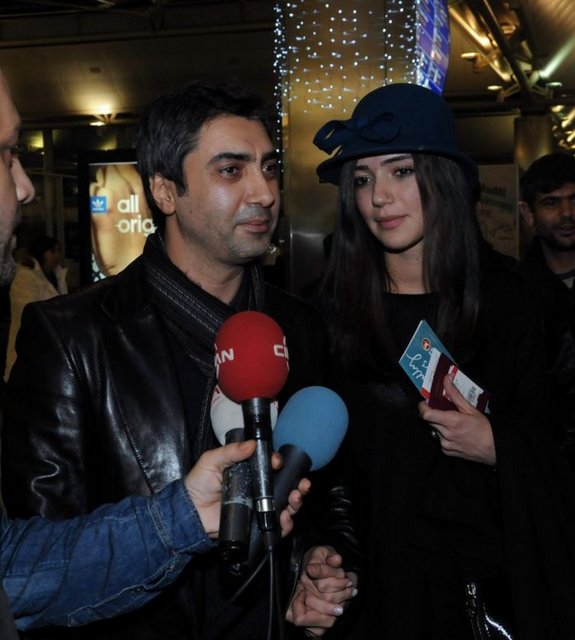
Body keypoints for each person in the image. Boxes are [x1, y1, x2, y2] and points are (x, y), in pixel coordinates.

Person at [2, 81, 358, 639]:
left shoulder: (301, 325)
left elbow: (330, 487)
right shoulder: (72, 336)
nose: (264, 192)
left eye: (269, 168)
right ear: (166, 191)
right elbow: (41, 558)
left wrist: (312, 563)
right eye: (231, 170)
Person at [313, 83, 575, 639]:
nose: (379, 197)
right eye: (362, 179)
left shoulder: (520, 303)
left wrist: (500, 446)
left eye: (401, 171)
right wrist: (326, 556)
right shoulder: (329, 314)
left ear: (445, 177)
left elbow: (563, 441)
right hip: (379, 601)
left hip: (493, 599)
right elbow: (331, 480)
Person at [518, 153, 575, 455]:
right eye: (551, 203)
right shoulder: (514, 292)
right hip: (543, 456)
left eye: (574, 200)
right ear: (528, 214)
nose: (567, 213)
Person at [5, 234, 68, 379]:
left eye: (58, 251)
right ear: (41, 253)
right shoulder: (25, 277)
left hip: (50, 351)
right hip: (29, 350)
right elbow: (29, 313)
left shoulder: (57, 276)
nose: (57, 256)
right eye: (52, 251)